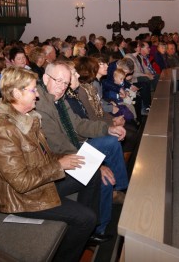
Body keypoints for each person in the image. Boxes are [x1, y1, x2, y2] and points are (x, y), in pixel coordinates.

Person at [0, 67, 102, 261]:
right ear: (16, 93)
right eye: (32, 90)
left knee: (91, 173)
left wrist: (65, 159)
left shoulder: (28, 117)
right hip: (21, 199)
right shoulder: (3, 131)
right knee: (86, 218)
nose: (38, 94)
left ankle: (79, 233)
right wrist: (60, 165)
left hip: (39, 183)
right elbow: (21, 183)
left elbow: (43, 156)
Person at [35, 61, 128, 238]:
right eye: (58, 81)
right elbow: (58, 145)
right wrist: (95, 164)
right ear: (46, 78)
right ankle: (99, 228)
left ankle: (121, 188)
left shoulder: (57, 98)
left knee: (111, 140)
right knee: (104, 177)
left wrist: (106, 128)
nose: (62, 87)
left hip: (71, 150)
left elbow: (78, 124)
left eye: (65, 83)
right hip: (58, 162)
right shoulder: (40, 105)